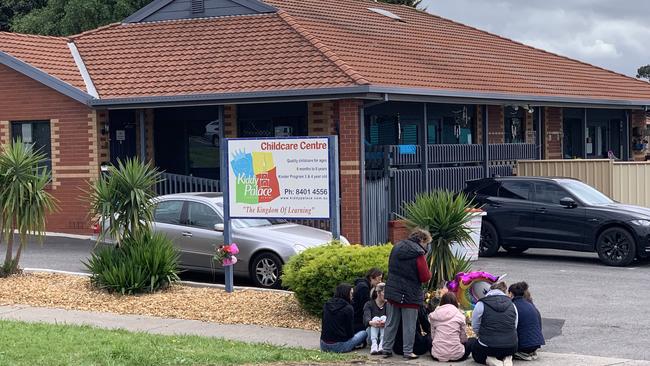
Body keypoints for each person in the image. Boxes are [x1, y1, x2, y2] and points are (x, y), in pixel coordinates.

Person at [381, 228, 432, 360]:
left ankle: (386, 349)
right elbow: (425, 277)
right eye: (426, 243)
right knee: (409, 325)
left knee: (391, 322)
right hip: (410, 294)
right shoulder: (418, 254)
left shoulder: (396, 247)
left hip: (393, 291)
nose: (426, 246)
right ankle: (408, 352)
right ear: (421, 240)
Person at [471, 282, 518, 366]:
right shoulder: (512, 304)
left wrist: (481, 334)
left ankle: (490, 359)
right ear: (504, 291)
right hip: (510, 347)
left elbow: (475, 325)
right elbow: (514, 326)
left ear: (490, 290)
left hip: (489, 347)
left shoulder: (481, 303)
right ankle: (507, 358)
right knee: (504, 348)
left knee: (475, 349)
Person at [320, 283, 368, 353]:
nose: (352, 296)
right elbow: (350, 333)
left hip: (323, 344)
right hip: (339, 346)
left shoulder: (327, 304)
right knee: (364, 333)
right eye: (351, 294)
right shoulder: (348, 308)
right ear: (346, 294)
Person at [429, 292, 472, 362]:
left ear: (442, 302)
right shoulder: (460, 315)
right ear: (455, 302)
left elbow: (433, 337)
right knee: (471, 341)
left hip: (437, 355)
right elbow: (463, 338)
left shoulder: (434, 315)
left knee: (428, 339)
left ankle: (440, 352)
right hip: (457, 355)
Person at [508, 282, 544, 361]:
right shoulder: (530, 305)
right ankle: (530, 352)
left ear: (510, 293)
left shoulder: (513, 306)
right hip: (537, 343)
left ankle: (521, 352)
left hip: (524, 345)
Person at [353, 268, 384, 333]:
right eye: (379, 278)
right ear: (371, 277)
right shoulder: (364, 287)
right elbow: (365, 306)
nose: (380, 281)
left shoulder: (364, 285)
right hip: (358, 321)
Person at [363, 282, 387, 355]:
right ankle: (374, 344)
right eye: (385, 292)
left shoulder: (389, 305)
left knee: (384, 318)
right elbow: (366, 319)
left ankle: (381, 345)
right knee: (375, 318)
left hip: (385, 336)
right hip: (371, 336)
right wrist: (373, 323)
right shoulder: (369, 304)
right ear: (378, 293)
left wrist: (385, 323)